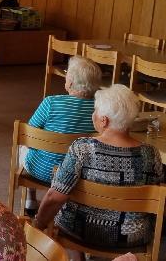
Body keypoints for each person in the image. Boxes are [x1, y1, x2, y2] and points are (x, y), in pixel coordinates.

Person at [34, 84, 164, 251]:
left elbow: (55, 197)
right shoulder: (151, 154)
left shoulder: (82, 148)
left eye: (95, 110)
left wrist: (38, 224)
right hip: (133, 235)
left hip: (81, 230)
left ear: (104, 120)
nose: (93, 114)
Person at [23, 56, 101, 214]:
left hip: (41, 169)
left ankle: (30, 200)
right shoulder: (99, 109)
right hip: (78, 175)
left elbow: (29, 133)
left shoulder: (51, 102)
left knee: (23, 146)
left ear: (70, 82)